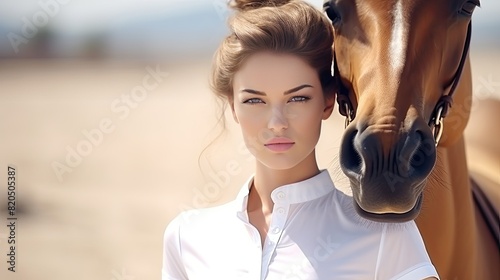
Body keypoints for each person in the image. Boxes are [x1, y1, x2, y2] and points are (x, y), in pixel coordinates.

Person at [162, 0, 439, 279]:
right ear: (233, 106)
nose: (277, 123)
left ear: (328, 101)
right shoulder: (187, 237)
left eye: (298, 98)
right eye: (254, 100)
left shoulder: (385, 235)